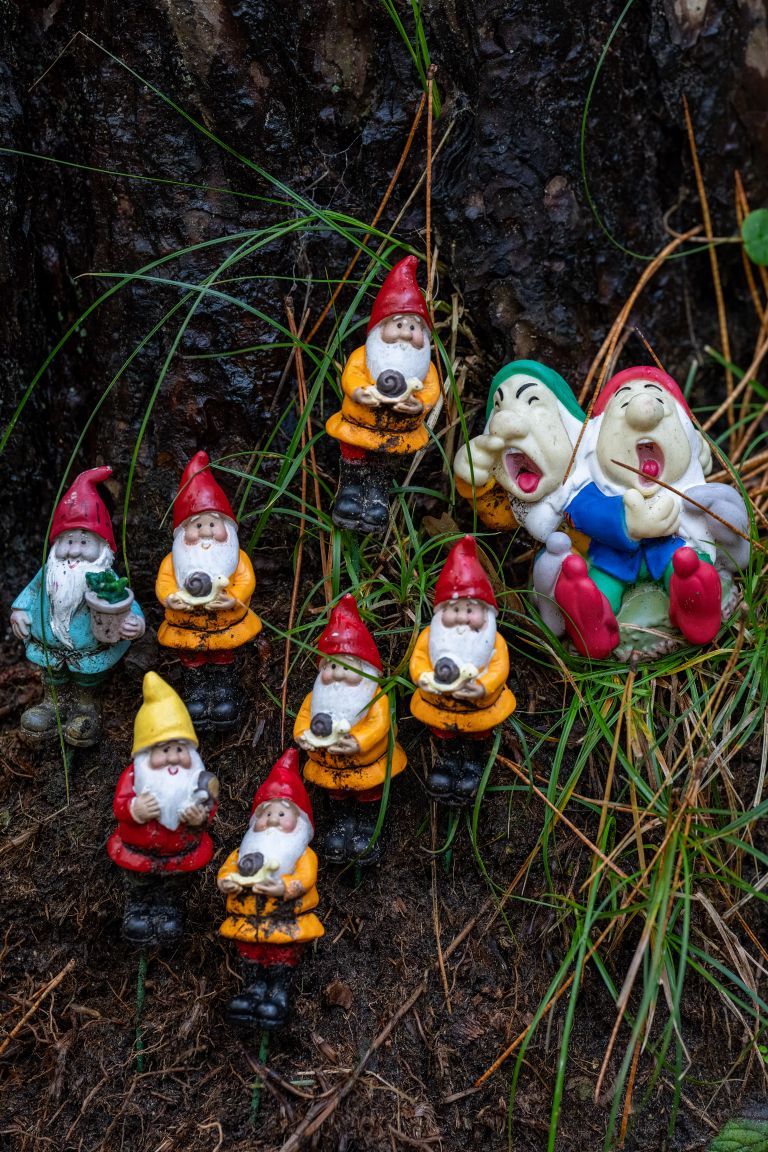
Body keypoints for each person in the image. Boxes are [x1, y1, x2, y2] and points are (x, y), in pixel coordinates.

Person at [10, 466, 145, 747]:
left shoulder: (106, 579)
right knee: (52, 675)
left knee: (87, 680)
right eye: (68, 541)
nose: (73, 551)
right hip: (49, 644)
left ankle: (86, 708)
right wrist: (20, 611)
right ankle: (52, 706)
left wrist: (134, 622)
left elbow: (123, 602)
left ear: (102, 549)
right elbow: (31, 592)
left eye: (84, 542)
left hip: (89, 649)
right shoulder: (49, 572)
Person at [326, 255, 441, 534]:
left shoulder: (425, 368)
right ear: (380, 328)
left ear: (424, 336)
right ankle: (351, 493)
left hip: (397, 434)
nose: (405, 333)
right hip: (359, 426)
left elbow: (431, 390)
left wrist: (418, 405)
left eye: (413, 327)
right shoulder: (364, 356)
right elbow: (351, 376)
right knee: (355, 457)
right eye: (398, 324)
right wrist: (361, 393)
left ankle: (377, 499)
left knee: (381, 466)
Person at [108, 672, 218, 945]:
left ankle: (169, 911)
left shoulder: (197, 780)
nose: (172, 757)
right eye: (163, 749)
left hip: (180, 853)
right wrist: (134, 810)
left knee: (172, 886)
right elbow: (119, 806)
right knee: (139, 883)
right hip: (138, 853)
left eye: (179, 749)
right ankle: (138, 910)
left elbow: (209, 806)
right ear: (146, 754)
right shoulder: (134, 778)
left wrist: (199, 818)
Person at [294, 594, 406, 865]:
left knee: (367, 794)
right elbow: (303, 720)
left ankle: (369, 829)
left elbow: (380, 725)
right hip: (329, 765)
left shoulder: (374, 696)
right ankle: (340, 827)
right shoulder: (316, 697)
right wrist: (303, 738)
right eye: (332, 666)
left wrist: (357, 742)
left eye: (347, 667)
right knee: (338, 796)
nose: (338, 674)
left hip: (367, 764)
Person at [218, 749, 323, 1030]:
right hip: (248, 921)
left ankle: (278, 995)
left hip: (284, 922)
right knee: (251, 955)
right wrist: (228, 881)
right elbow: (227, 870)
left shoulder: (302, 854)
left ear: (300, 823)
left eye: (281, 813)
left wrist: (283, 887)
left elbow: (305, 878)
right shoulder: (243, 851)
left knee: (279, 957)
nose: (273, 820)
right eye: (266, 814)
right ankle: (252, 990)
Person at [156, 450, 262, 730]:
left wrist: (232, 599)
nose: (205, 533)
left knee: (220, 656)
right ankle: (196, 695)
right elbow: (164, 584)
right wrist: (172, 598)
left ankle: (225, 692)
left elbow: (246, 582)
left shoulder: (236, 560)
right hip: (186, 627)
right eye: (197, 525)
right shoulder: (174, 561)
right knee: (193, 659)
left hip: (224, 625)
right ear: (182, 533)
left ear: (226, 528)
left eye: (212, 524)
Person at [410, 536, 516, 803]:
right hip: (439, 706)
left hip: (479, 708)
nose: (461, 617)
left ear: (487, 613)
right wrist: (425, 678)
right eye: (454, 609)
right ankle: (446, 763)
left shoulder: (495, 642)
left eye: (470, 609)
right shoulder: (429, 638)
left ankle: (472, 765)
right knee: (445, 734)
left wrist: (480, 687)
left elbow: (498, 668)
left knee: (476, 735)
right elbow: (419, 660)